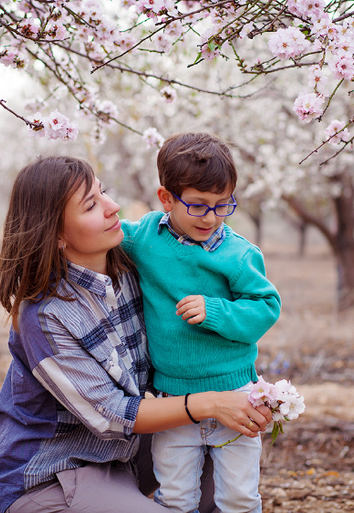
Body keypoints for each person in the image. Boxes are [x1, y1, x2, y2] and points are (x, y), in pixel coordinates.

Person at [0, 155, 270, 513]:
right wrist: (213, 402)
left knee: (228, 462)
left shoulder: (135, 272)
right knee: (214, 417)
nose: (113, 207)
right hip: (56, 477)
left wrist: (240, 393)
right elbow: (111, 416)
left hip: (125, 462)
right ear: (56, 234)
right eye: (91, 205)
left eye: (103, 192)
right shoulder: (46, 315)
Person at [120, 133, 282, 513]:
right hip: (173, 401)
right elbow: (107, 236)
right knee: (174, 498)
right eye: (198, 206)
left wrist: (217, 311)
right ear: (166, 199)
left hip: (236, 394)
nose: (211, 217)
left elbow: (266, 307)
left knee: (239, 497)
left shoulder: (238, 254)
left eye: (222, 206)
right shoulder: (146, 237)